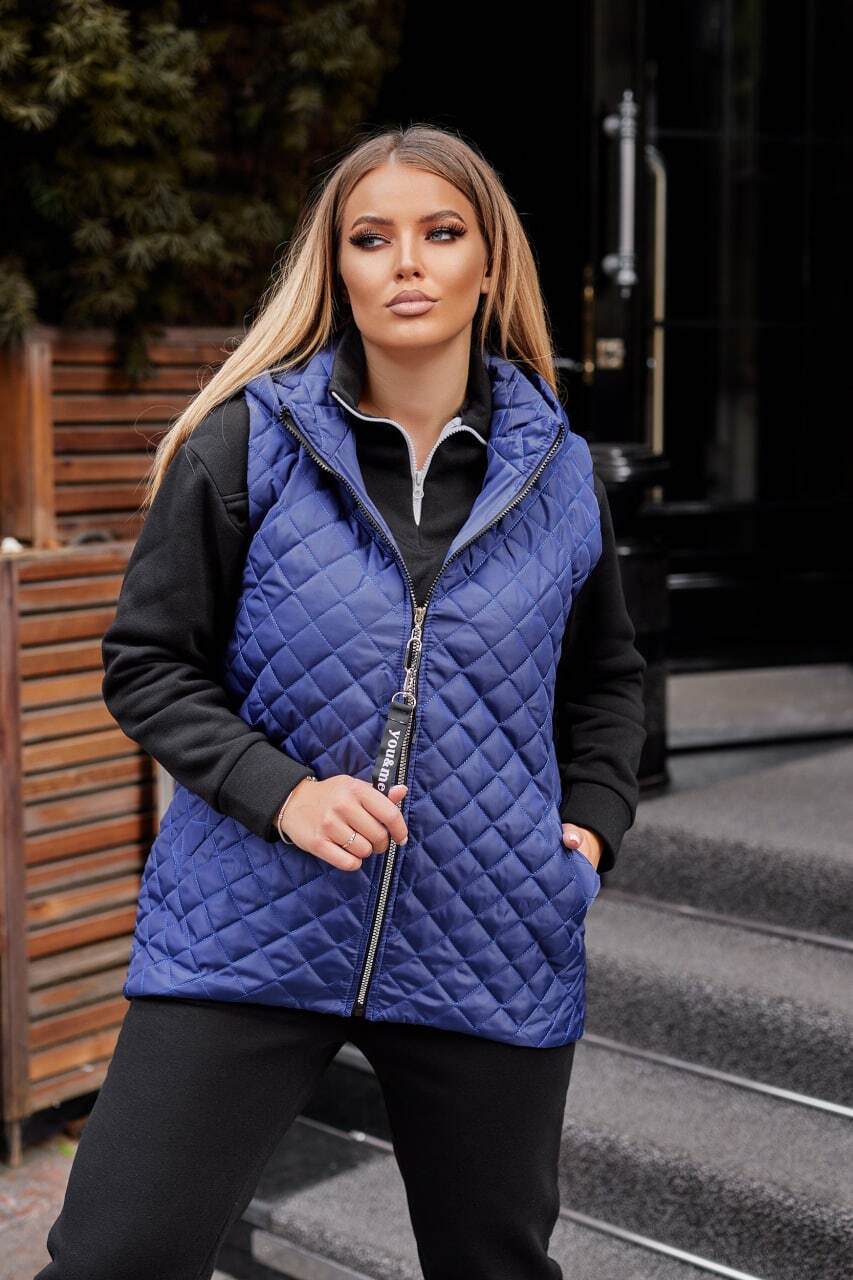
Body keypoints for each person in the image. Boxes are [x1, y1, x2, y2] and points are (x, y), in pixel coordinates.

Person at [35, 124, 646, 1280]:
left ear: (487, 264)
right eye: (372, 238)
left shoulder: (560, 473)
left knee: (494, 1265)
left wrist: (589, 826)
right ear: (338, 267)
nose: (406, 261)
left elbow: (606, 678)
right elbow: (148, 662)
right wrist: (286, 794)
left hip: (485, 929)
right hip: (248, 921)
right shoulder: (245, 441)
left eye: (440, 232)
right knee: (118, 1254)